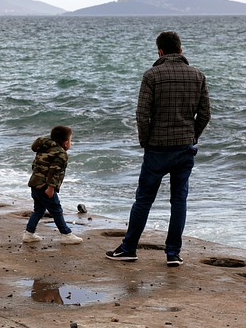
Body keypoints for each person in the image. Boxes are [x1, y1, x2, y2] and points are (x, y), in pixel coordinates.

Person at [106, 31, 211, 266]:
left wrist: (146, 140)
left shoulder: (152, 75)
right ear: (181, 50)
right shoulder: (198, 76)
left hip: (157, 148)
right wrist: (192, 136)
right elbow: (205, 114)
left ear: (160, 51)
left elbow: (142, 114)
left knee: (144, 199)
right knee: (179, 200)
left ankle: (129, 248)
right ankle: (173, 253)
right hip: (185, 147)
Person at [23, 125, 83, 244]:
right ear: (66, 143)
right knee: (57, 210)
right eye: (70, 140)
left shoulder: (44, 148)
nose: (70, 143)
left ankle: (29, 234)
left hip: (35, 184)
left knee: (38, 210)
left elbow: (36, 165)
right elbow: (54, 172)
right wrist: (50, 188)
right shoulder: (60, 154)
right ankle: (66, 234)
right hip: (46, 187)